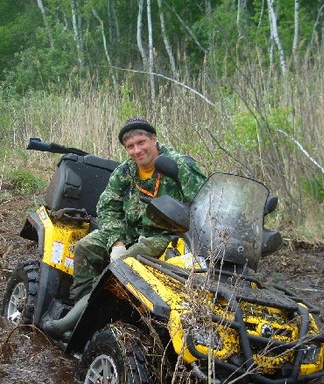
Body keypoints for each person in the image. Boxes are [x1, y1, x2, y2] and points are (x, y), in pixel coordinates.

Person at [43, 117, 206, 339]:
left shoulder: (180, 166)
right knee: (85, 246)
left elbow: (203, 206)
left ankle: (72, 322)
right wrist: (116, 242)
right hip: (129, 232)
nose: (137, 151)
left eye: (141, 143)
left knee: (121, 265)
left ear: (154, 139)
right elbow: (108, 208)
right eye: (130, 146)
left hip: (164, 236)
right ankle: (79, 312)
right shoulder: (125, 172)